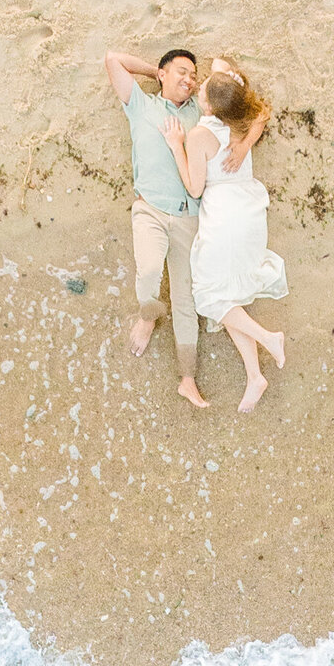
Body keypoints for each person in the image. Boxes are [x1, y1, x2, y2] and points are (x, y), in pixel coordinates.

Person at [164, 57, 288, 412]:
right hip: (249, 208)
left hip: (224, 217)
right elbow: (261, 113)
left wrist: (176, 146)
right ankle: (255, 376)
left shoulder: (200, 135)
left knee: (208, 297)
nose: (200, 84)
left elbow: (195, 187)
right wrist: (245, 143)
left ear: (207, 105)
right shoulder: (240, 117)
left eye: (203, 89)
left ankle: (268, 338)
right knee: (229, 295)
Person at [103, 45, 209, 408]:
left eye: (193, 75)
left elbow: (229, 82)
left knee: (185, 299)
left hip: (188, 216)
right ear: (163, 74)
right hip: (149, 210)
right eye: (182, 71)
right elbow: (112, 59)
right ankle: (148, 317)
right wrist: (156, 72)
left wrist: (187, 86)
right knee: (149, 270)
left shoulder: (199, 111)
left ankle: (188, 378)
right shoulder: (142, 106)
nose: (189, 79)